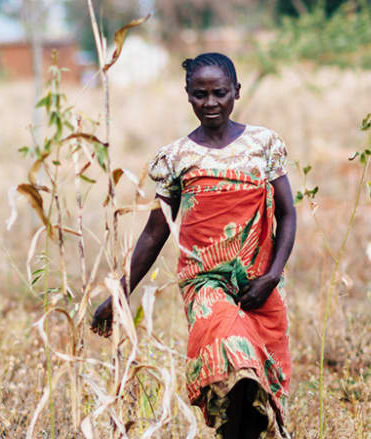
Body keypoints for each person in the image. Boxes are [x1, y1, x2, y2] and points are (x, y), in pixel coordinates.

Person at [90, 52, 297, 439]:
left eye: (220, 92)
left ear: (236, 90)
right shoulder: (178, 157)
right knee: (233, 362)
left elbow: (287, 214)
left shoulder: (263, 144)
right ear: (187, 95)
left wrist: (271, 276)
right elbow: (156, 232)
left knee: (255, 388)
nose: (211, 103)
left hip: (260, 284)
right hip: (206, 285)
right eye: (200, 94)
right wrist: (120, 292)